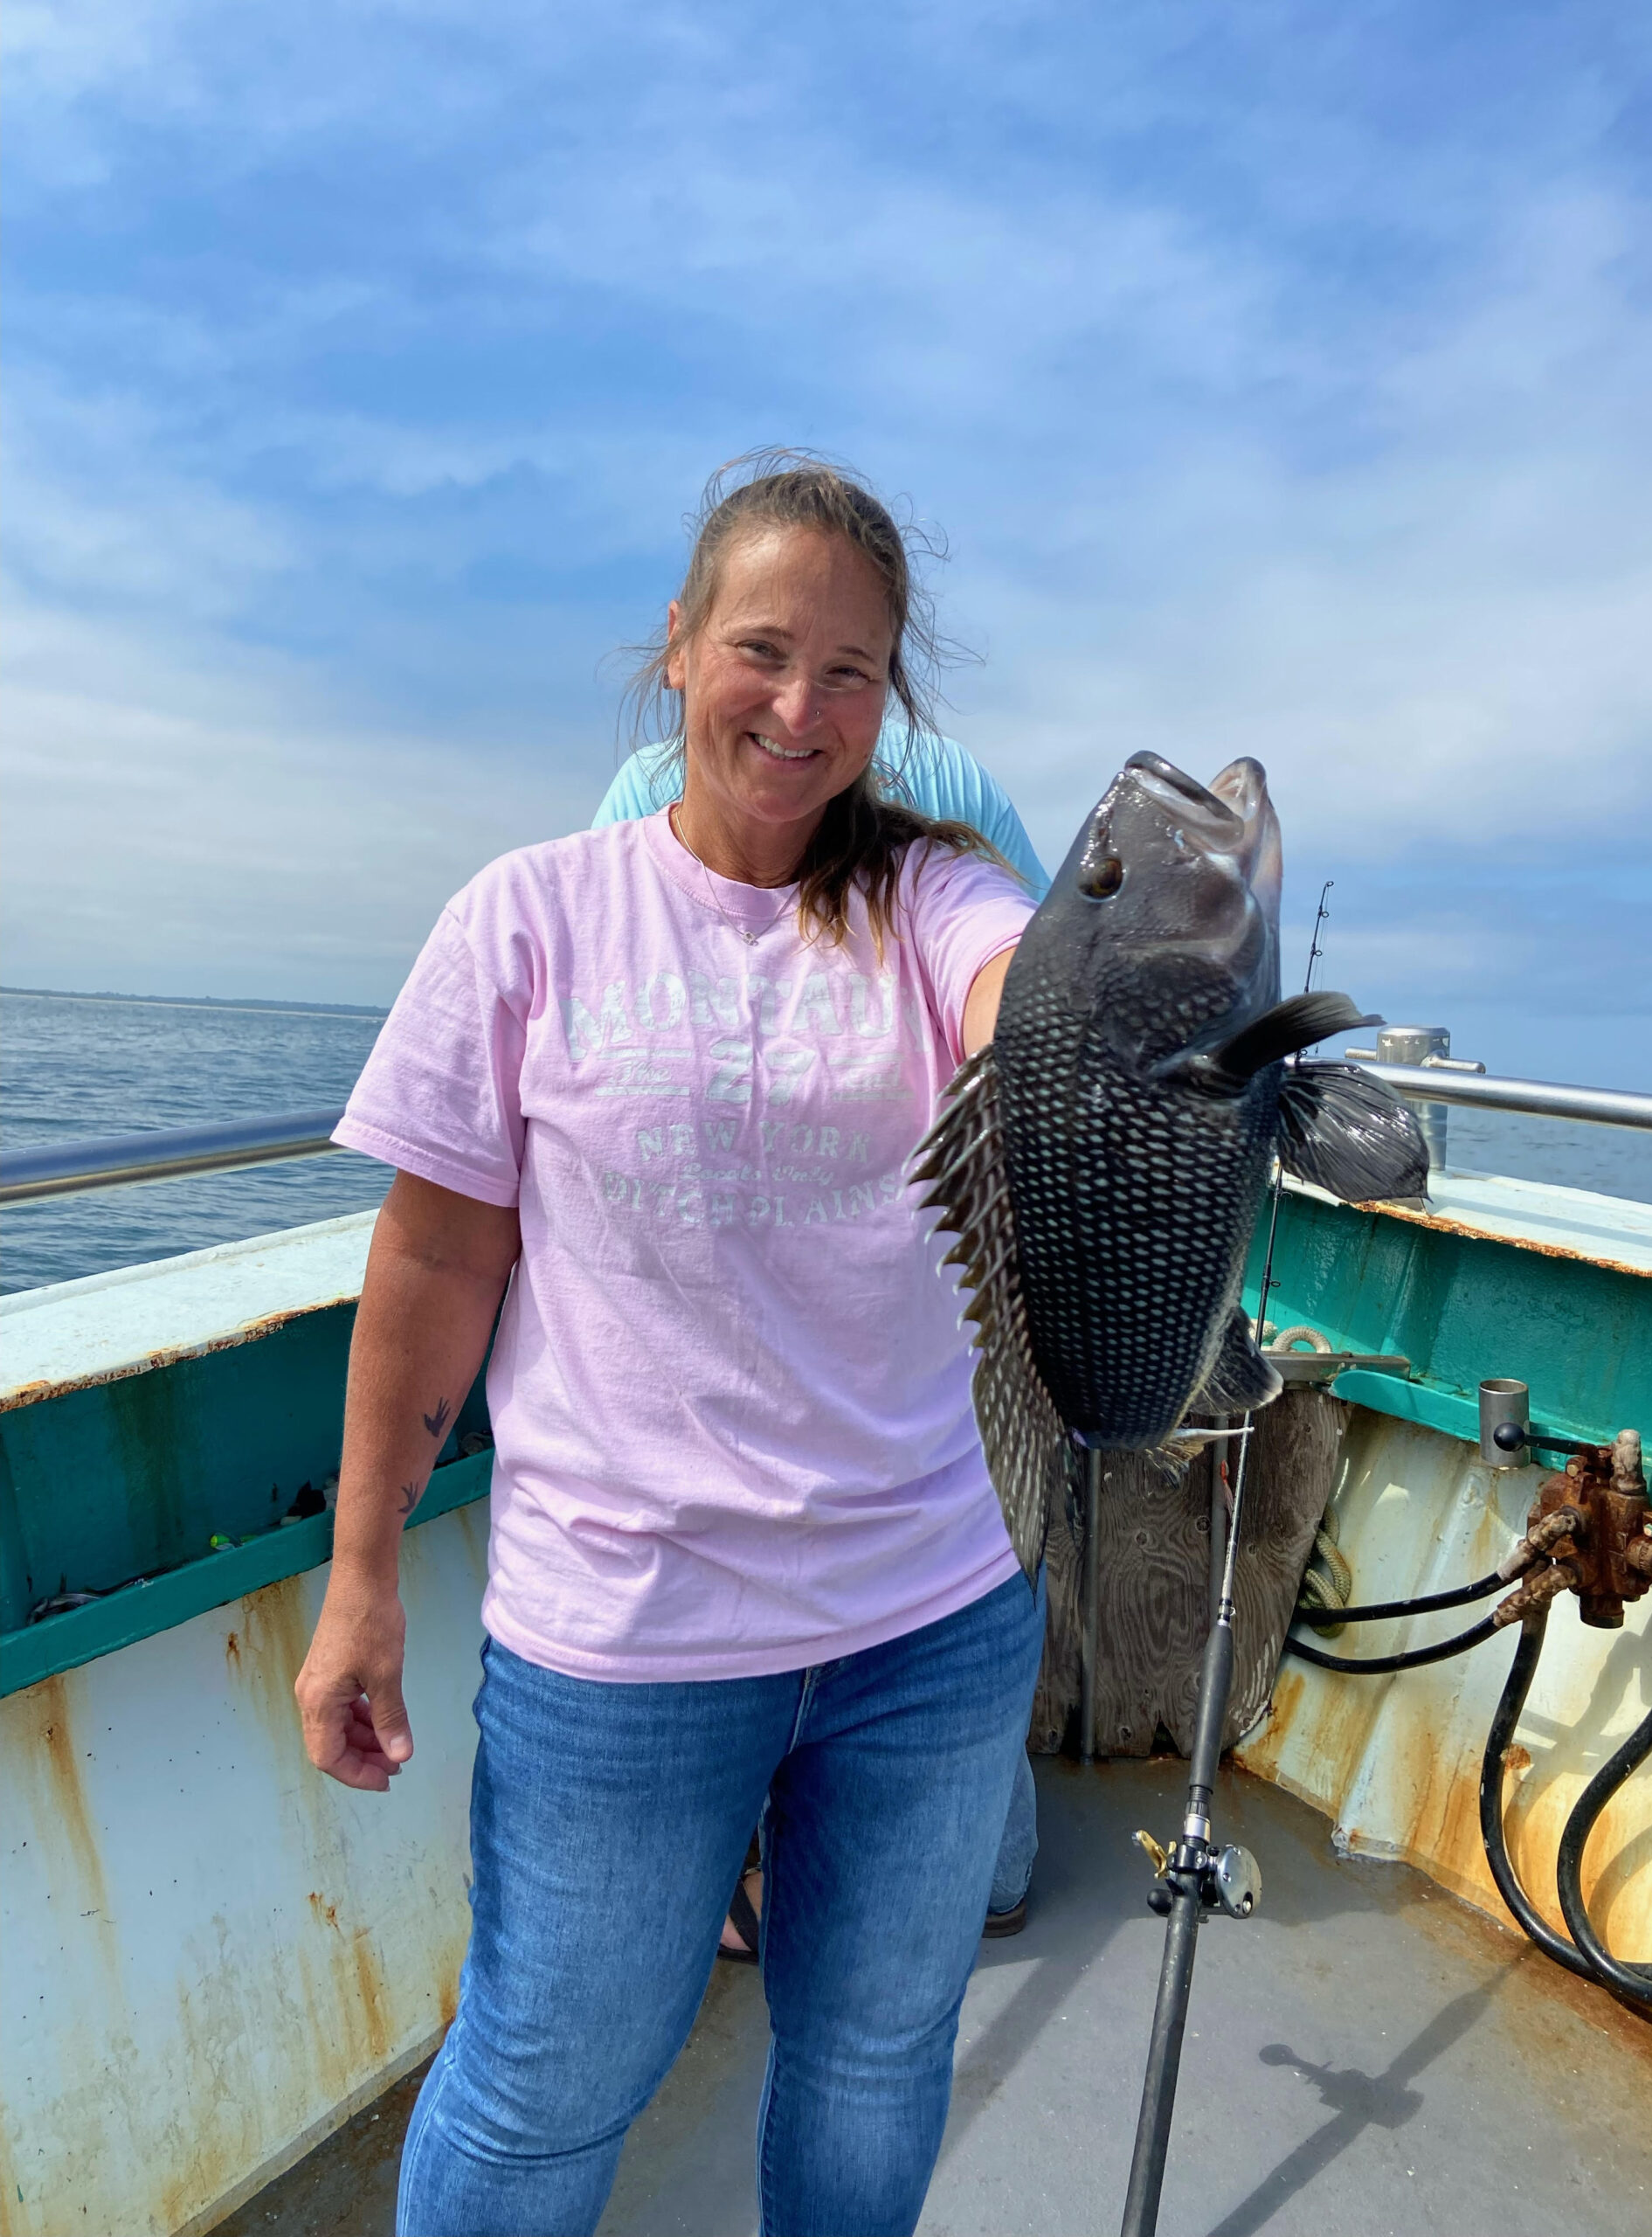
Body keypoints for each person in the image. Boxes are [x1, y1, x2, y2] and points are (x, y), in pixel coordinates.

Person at [294, 453, 1046, 2237]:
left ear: (893, 700)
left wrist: (1097, 1034)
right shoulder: (531, 915)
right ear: (679, 648)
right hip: (625, 1637)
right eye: (763, 650)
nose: (801, 706)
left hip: (930, 1621)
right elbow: (435, 1259)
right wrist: (361, 1579)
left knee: (874, 2056)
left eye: (850, 670)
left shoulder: (935, 896)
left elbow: (1020, 994)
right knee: (548, 2078)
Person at [592, 733, 1048, 1951]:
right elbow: (1041, 998)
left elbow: (619, 1031)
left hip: (755, 1351)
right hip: (964, 1326)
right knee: (968, 1585)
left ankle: (765, 1889)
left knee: (756, 1645)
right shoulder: (970, 787)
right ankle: (984, 1875)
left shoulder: (660, 781)